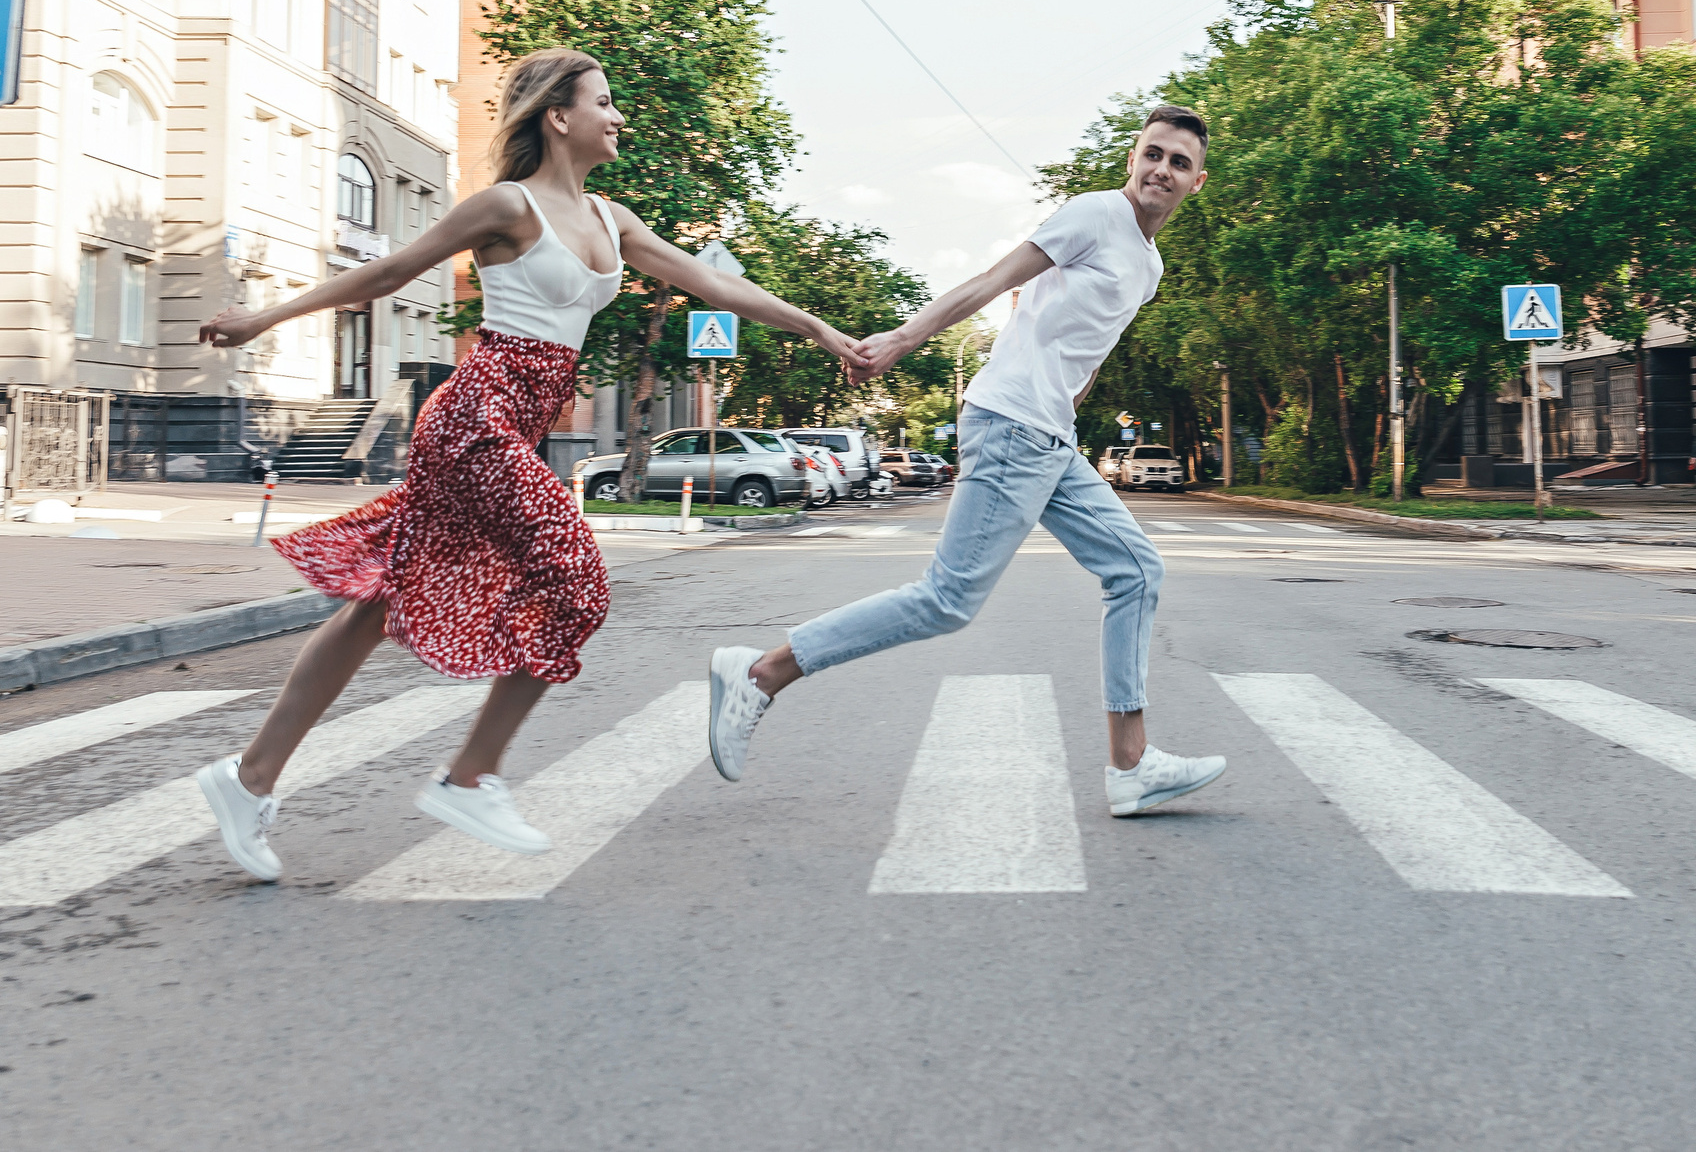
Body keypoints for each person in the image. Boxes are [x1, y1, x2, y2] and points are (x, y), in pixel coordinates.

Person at [191, 48, 867, 880]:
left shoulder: (612, 220)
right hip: (475, 417)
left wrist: (824, 331)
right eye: (605, 100)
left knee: (376, 604)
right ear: (559, 115)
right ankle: (470, 773)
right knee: (577, 580)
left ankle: (247, 776)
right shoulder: (509, 206)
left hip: (516, 425)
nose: (618, 116)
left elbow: (717, 287)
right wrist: (263, 318)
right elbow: (391, 270)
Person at [706, 104, 1228, 818]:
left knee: (1136, 569)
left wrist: (1066, 401)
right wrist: (902, 339)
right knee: (947, 600)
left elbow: (1083, 350)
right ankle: (762, 671)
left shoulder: (1149, 265)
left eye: (1177, 162)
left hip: (1049, 434)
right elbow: (991, 281)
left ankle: (1130, 765)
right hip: (1013, 425)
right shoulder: (1094, 214)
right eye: (1152, 153)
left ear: (1197, 181)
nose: (1160, 170)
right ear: (1132, 157)